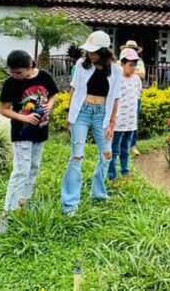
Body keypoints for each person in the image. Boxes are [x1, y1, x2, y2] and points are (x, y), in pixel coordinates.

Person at [0, 50, 58, 235]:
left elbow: (53, 94)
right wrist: (23, 118)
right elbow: (3, 109)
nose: (15, 76)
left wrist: (49, 106)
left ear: (30, 67)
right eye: (12, 72)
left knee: (34, 168)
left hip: (41, 129)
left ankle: (24, 203)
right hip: (21, 132)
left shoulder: (44, 76)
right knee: (21, 170)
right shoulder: (10, 83)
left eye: (19, 72)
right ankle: (7, 213)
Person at [61, 31, 121, 215]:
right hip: (82, 113)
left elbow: (116, 96)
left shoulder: (116, 69)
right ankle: (70, 204)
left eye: (94, 51)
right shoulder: (81, 64)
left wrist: (112, 123)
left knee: (107, 155)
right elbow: (74, 88)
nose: (90, 54)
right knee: (77, 156)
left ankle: (98, 192)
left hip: (101, 114)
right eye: (89, 51)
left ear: (104, 51)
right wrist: (70, 116)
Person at [108, 48, 143, 180]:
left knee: (126, 147)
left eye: (135, 65)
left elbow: (138, 99)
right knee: (114, 149)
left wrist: (136, 117)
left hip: (130, 122)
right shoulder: (116, 79)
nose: (133, 68)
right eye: (130, 65)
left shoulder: (137, 80)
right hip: (117, 122)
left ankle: (125, 170)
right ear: (122, 64)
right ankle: (111, 174)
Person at [119, 40, 145, 156]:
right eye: (129, 48)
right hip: (121, 98)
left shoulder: (139, 62)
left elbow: (142, 74)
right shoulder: (119, 61)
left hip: (134, 97)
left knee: (133, 122)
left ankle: (133, 145)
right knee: (119, 121)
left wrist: (131, 71)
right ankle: (119, 145)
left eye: (134, 49)